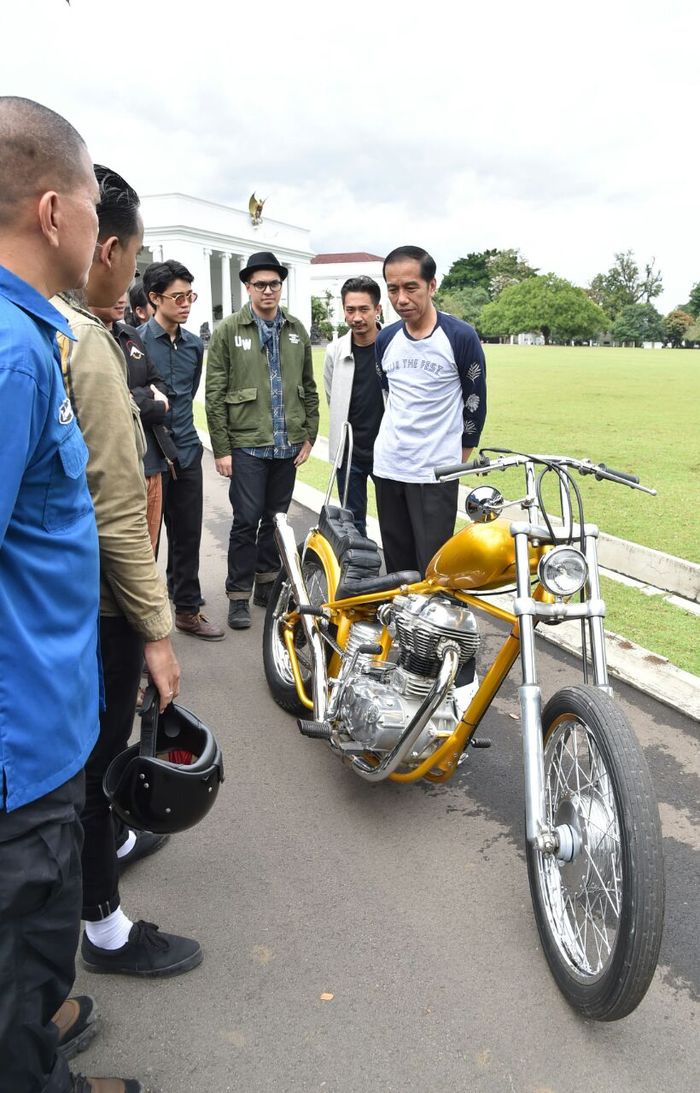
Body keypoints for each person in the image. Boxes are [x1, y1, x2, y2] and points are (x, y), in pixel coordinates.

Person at [0, 97, 142, 1093]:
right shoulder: (14, 355)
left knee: (29, 971)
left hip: (40, 721)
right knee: (21, 967)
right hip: (23, 746)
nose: (104, 230)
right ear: (55, 212)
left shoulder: (29, 335)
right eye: (94, 203)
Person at [53, 166, 202, 984]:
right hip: (100, 604)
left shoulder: (46, 327)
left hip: (65, 601)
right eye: (136, 256)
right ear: (107, 248)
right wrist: (156, 631)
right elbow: (115, 508)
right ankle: (104, 928)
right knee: (102, 760)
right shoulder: (84, 344)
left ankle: (106, 849)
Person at [205, 250, 319, 630]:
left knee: (276, 519)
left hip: (287, 444)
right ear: (248, 287)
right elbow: (214, 393)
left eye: (274, 284)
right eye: (260, 285)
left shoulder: (296, 329)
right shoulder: (228, 330)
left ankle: (266, 585)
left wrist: (309, 434)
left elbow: (308, 387)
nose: (268, 291)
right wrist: (222, 449)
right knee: (245, 520)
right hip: (247, 445)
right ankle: (238, 594)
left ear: (281, 287)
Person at [374, 245, 487, 574]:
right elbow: (387, 393)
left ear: (431, 285)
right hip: (389, 467)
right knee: (397, 569)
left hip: (435, 473)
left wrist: (456, 457)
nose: (401, 299)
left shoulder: (460, 337)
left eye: (411, 287)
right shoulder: (386, 339)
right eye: (393, 289)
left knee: (434, 568)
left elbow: (475, 401)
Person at [140, 260, 224, 640]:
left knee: (188, 536)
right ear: (155, 298)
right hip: (149, 457)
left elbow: (189, 394)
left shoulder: (193, 344)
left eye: (190, 296)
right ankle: (144, 627)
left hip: (188, 451)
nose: (186, 304)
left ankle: (188, 610)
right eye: (178, 297)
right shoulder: (136, 343)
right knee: (147, 542)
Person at [90, 293, 175, 551]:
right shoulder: (84, 336)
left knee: (149, 551)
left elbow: (159, 384)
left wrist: (134, 396)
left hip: (151, 461)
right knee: (119, 556)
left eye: (124, 289)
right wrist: (150, 399)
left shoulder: (130, 334)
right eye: (114, 287)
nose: (121, 298)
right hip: (113, 468)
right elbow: (109, 400)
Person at [323, 275, 384, 536]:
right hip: (349, 453)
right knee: (352, 524)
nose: (356, 317)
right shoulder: (335, 351)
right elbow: (332, 396)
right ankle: (358, 565)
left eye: (363, 309)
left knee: (394, 521)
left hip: (388, 451)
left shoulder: (392, 345)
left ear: (377, 309)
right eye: (350, 310)